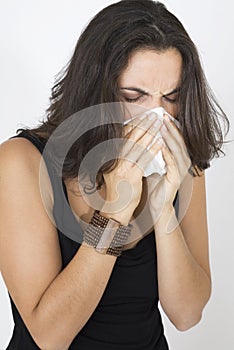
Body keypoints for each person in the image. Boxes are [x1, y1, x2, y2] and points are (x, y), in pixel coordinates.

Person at [0, 0, 229, 349]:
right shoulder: (22, 161)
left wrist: (164, 206)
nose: (157, 115)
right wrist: (116, 213)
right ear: (95, 90)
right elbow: (49, 337)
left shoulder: (180, 159)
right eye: (134, 96)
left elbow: (186, 314)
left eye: (171, 97)